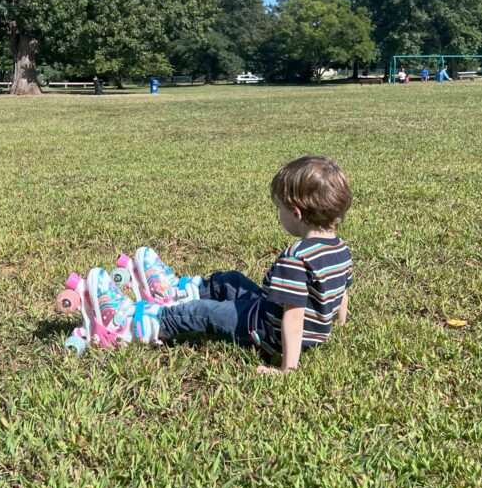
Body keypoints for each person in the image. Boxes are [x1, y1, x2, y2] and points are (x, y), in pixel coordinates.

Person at [97, 156, 353, 374]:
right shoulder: (340, 249)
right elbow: (341, 293)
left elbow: (294, 316)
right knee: (232, 280)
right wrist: (336, 324)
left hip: (265, 331)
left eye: (279, 208)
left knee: (203, 312)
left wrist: (288, 369)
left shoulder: (297, 258)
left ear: (296, 213)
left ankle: (135, 324)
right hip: (276, 315)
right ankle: (173, 290)